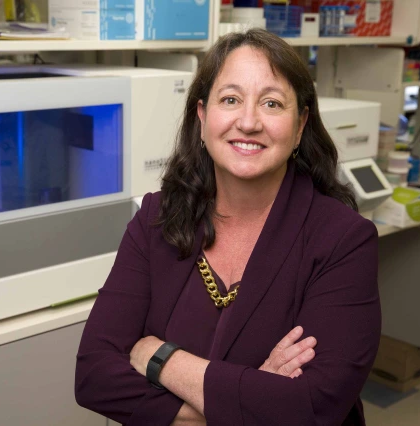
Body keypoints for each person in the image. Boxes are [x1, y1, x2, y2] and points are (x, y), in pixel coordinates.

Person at [75, 28, 381, 426]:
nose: (249, 121)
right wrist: (245, 405)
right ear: (202, 117)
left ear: (300, 125)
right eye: (231, 99)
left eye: (272, 103)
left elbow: (312, 407)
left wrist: (159, 358)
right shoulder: (157, 218)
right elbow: (94, 376)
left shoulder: (343, 240)